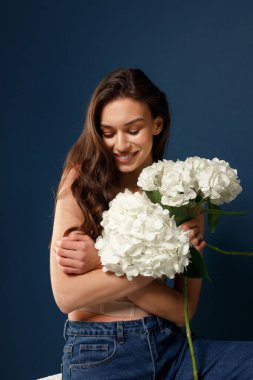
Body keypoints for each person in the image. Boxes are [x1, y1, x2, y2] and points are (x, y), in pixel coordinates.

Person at [48, 68, 253, 380]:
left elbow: (181, 311)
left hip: (174, 348)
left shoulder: (183, 193)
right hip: (101, 353)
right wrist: (163, 258)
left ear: (157, 124)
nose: (120, 145)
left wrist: (100, 261)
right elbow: (66, 297)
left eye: (133, 130)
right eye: (108, 132)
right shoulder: (80, 180)